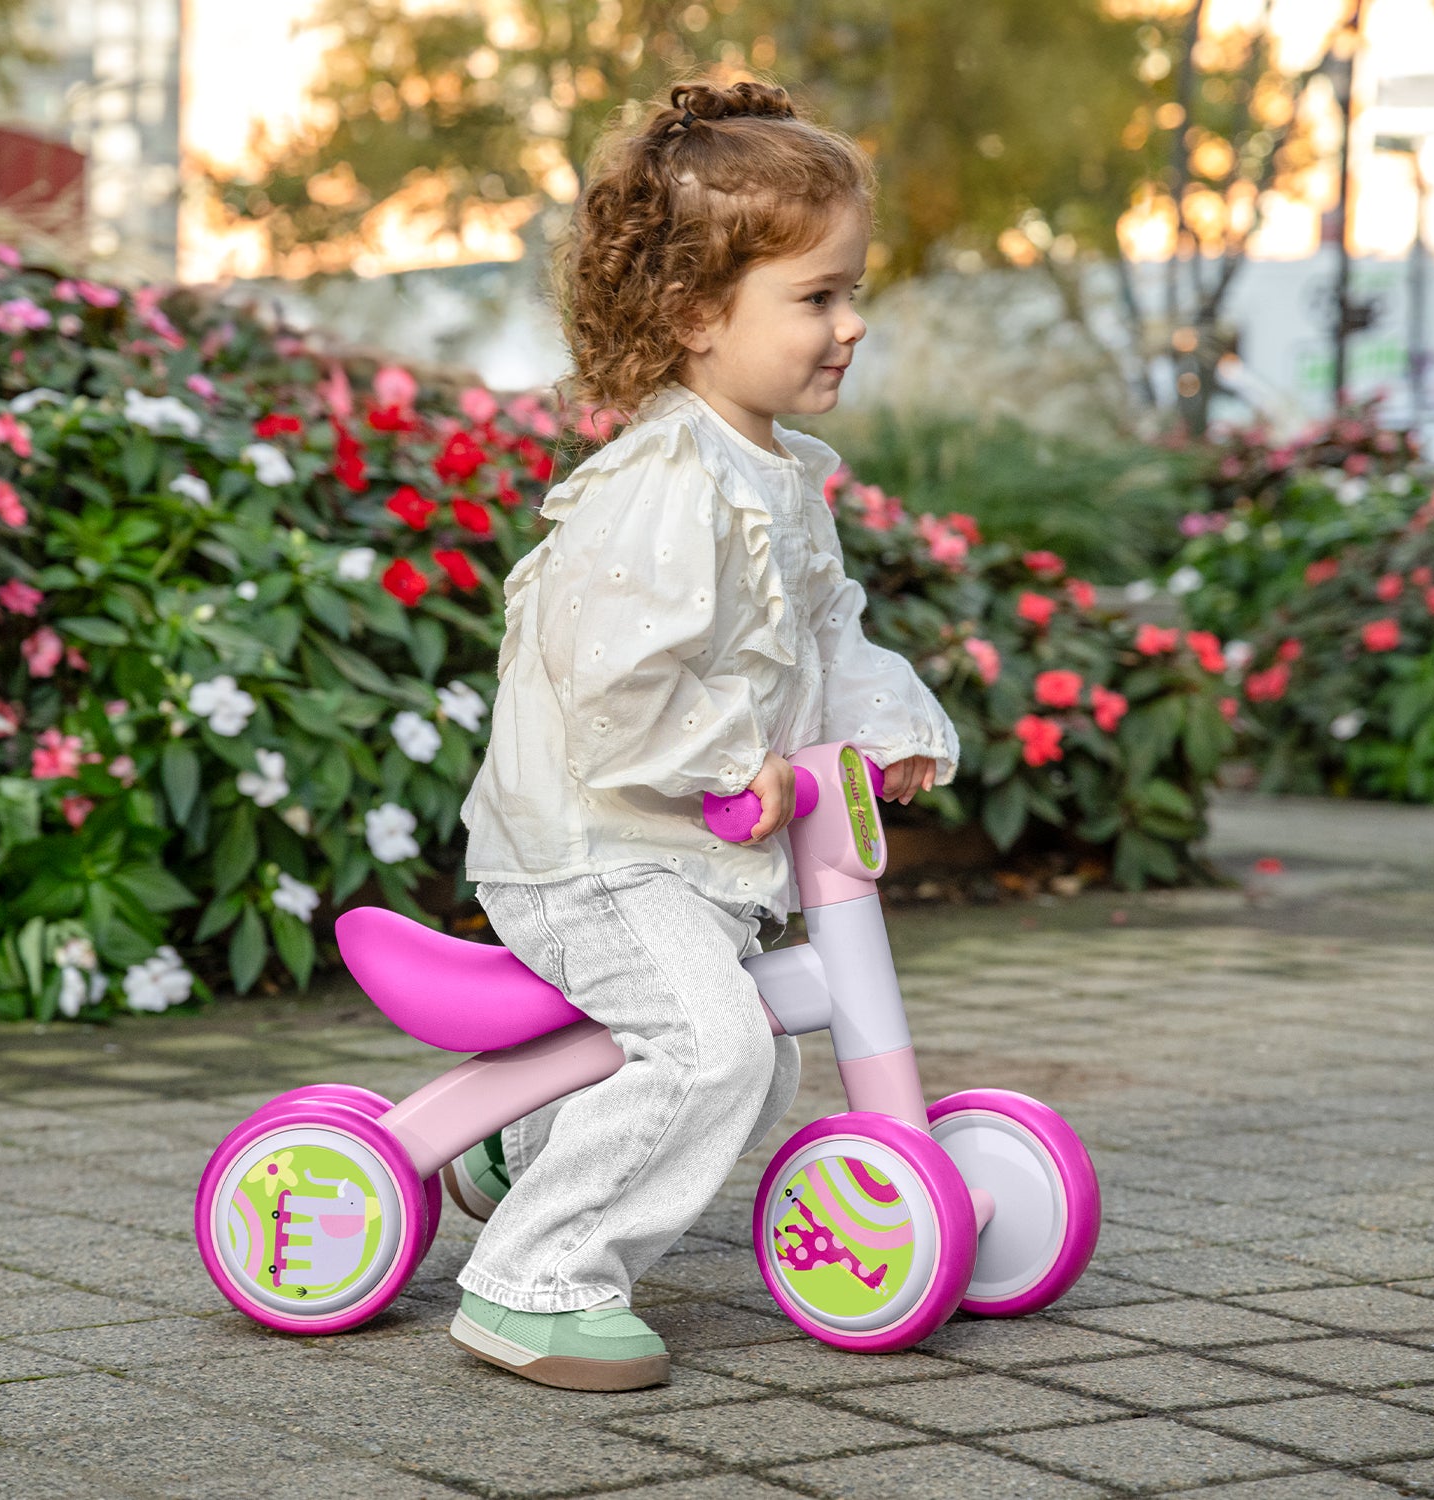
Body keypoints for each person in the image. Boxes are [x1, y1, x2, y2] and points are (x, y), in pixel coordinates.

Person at [447, 77, 960, 1392]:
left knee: (757, 1055)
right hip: (587, 847)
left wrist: (885, 726)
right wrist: (746, 771)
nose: (851, 325)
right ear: (692, 314)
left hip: (668, 846)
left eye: (854, 290)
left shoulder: (779, 471)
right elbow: (621, 684)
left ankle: (536, 1141)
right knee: (715, 1044)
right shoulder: (665, 482)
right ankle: (533, 1279)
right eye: (816, 297)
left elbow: (828, 630)